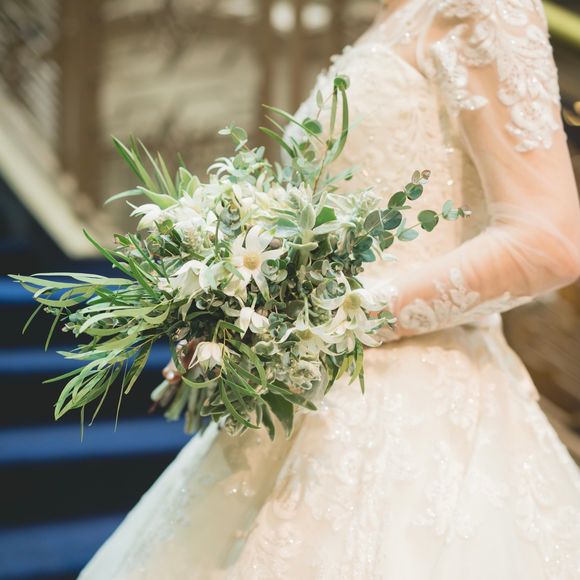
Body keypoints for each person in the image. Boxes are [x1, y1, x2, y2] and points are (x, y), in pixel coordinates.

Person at [79, 0, 580, 578]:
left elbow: (547, 242)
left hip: (412, 404)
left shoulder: (481, 8)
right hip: (311, 389)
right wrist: (245, 314)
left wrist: (337, 319)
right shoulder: (384, 19)